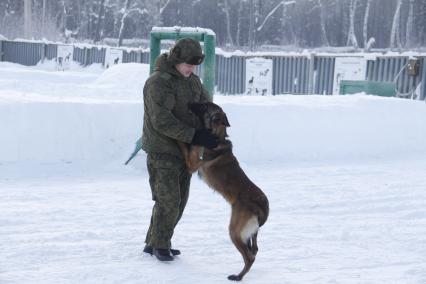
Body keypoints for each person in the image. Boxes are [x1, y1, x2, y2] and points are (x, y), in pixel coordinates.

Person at [141, 38, 219, 261]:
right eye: (188, 64)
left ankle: (154, 241)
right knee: (168, 200)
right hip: (162, 150)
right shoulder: (158, 83)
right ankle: (161, 245)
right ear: (176, 59)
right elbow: (161, 121)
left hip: (186, 151)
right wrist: (194, 134)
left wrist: (212, 127)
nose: (191, 69)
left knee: (180, 201)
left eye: (195, 65)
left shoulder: (192, 81)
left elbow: (207, 105)